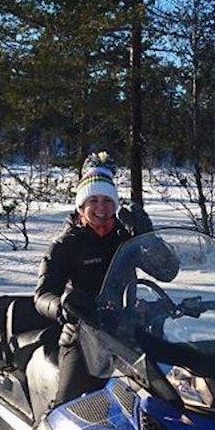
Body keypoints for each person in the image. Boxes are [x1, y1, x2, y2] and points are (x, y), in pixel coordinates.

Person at [34, 152, 152, 408]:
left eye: (107, 200)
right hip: (82, 337)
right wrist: (63, 305)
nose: (101, 208)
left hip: (127, 332)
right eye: (93, 200)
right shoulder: (66, 244)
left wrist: (148, 237)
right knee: (66, 408)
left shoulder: (126, 239)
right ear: (81, 206)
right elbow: (42, 295)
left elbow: (166, 271)